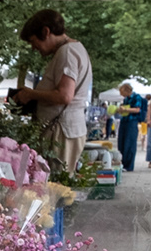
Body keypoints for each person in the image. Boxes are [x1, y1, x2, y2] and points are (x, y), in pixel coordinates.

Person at [10, 9, 92, 170]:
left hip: (60, 132)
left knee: (55, 187)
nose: (34, 47)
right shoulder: (73, 49)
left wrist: (31, 94)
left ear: (46, 32)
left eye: (33, 41)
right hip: (64, 130)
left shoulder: (67, 52)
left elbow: (64, 96)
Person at [114, 82, 146, 172]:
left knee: (129, 143)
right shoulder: (126, 99)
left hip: (132, 122)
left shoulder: (136, 97)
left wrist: (125, 109)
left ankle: (128, 165)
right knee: (122, 142)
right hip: (124, 120)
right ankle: (122, 162)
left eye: (122, 92)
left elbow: (137, 109)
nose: (121, 94)